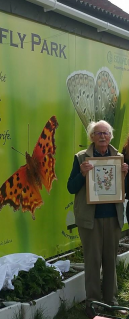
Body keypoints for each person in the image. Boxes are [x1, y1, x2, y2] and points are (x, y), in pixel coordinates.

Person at [67, 120, 128, 318]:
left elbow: (122, 190)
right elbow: (71, 187)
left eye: (106, 133)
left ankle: (111, 302)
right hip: (89, 220)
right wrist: (83, 174)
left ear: (110, 136)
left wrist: (125, 175)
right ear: (91, 137)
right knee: (93, 262)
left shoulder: (119, 159)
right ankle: (93, 304)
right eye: (98, 133)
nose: (102, 136)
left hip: (113, 217)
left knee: (110, 261)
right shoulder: (81, 158)